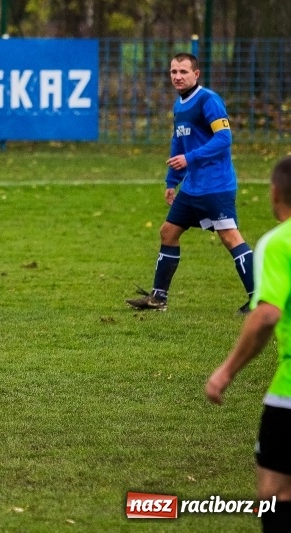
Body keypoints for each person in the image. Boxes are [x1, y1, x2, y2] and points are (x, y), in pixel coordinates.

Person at [126, 52, 254, 313]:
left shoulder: (209, 100)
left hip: (216, 185)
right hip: (193, 187)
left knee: (230, 237)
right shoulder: (179, 104)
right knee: (168, 232)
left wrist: (190, 158)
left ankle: (259, 299)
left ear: (196, 74)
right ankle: (158, 298)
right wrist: (172, 180)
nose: (177, 76)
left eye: (183, 71)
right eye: (173, 71)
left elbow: (224, 139)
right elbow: (178, 142)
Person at [205, 156, 291, 532]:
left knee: (275, 494)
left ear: (274, 193)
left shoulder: (279, 243)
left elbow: (267, 314)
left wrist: (226, 371)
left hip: (289, 393)